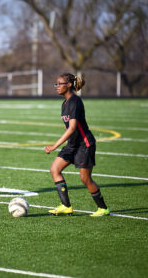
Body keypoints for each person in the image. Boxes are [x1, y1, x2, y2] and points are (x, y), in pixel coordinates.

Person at [45, 73, 110, 216]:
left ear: (69, 85)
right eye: (56, 84)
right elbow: (67, 127)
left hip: (84, 144)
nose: (56, 87)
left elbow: (72, 127)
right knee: (55, 169)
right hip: (72, 145)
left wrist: (55, 145)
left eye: (59, 84)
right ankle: (66, 206)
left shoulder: (75, 101)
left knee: (85, 179)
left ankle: (103, 208)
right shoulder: (65, 103)